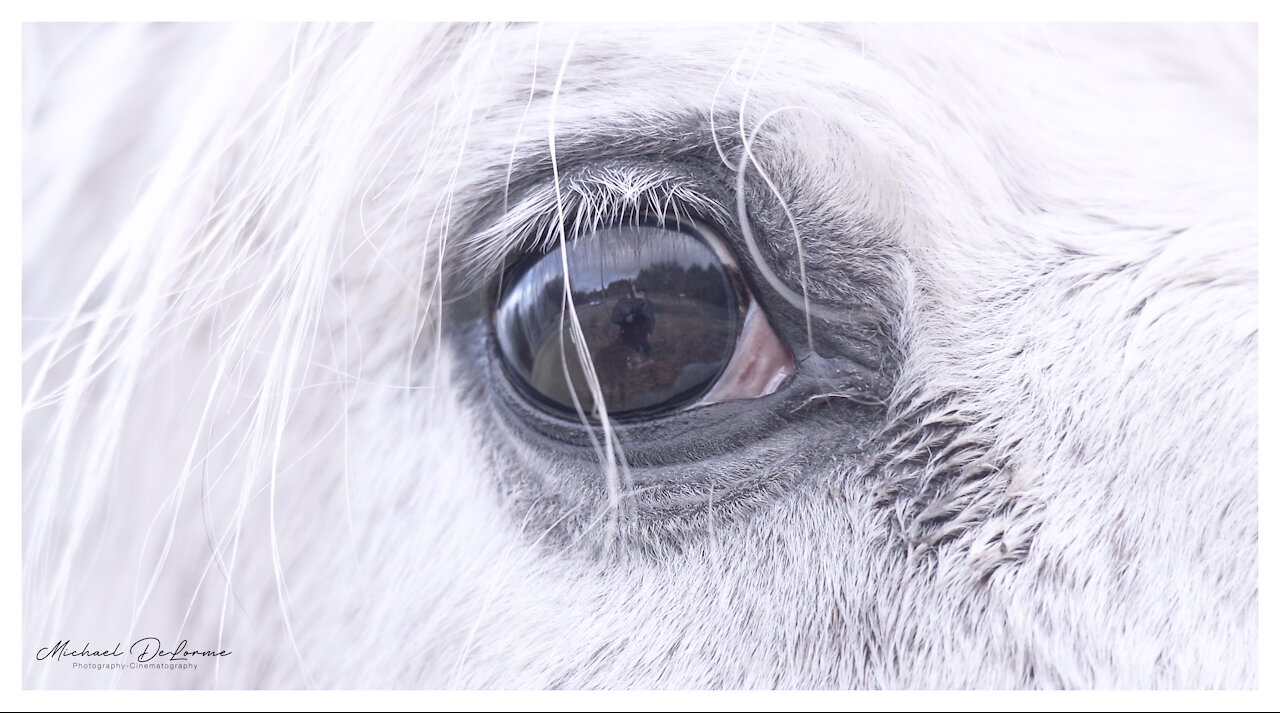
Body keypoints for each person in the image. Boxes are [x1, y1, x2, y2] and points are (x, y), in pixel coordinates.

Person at [611, 283, 655, 358]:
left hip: (643, 336)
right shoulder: (623, 302)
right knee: (631, 358)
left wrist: (649, 331)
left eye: (644, 290)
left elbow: (652, 319)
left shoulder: (648, 303)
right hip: (628, 337)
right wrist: (625, 319)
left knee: (648, 355)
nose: (641, 292)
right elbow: (614, 318)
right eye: (639, 289)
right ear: (633, 287)